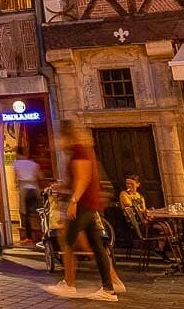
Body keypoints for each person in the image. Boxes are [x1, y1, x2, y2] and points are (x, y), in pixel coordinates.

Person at [45, 120, 122, 301]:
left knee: (67, 242)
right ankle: (111, 285)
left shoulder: (79, 152)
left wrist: (73, 200)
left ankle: (70, 284)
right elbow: (78, 180)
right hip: (89, 204)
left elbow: (83, 178)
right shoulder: (80, 151)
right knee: (97, 246)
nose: (58, 143)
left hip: (82, 205)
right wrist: (62, 186)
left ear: (66, 137)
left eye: (59, 139)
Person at [12, 149, 42, 245]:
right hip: (34, 188)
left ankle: (28, 237)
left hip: (24, 189)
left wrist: (17, 184)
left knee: (26, 214)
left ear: (18, 154)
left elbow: (15, 179)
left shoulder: (16, 164)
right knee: (40, 213)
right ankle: (42, 233)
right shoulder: (33, 163)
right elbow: (40, 176)